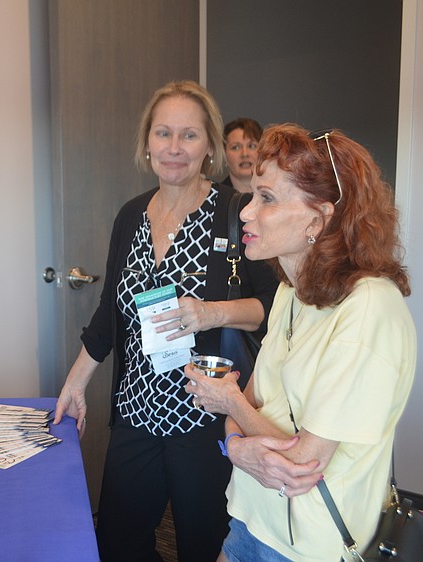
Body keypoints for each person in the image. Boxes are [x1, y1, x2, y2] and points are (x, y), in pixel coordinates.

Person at [53, 80, 278, 561]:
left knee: (203, 545)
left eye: (189, 135)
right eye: (163, 133)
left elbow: (273, 304)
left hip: (206, 416)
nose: (174, 147)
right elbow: (110, 312)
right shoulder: (130, 216)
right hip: (136, 411)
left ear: (209, 146)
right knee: (119, 544)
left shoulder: (237, 214)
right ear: (147, 143)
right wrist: (75, 383)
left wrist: (211, 313)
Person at [184, 123, 416, 561]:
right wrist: (236, 447)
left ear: (317, 218)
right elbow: (253, 399)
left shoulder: (370, 308)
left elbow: (302, 462)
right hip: (252, 516)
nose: (246, 213)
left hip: (311, 544)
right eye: (253, 196)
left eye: (267, 198)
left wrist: (229, 403)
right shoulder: (290, 292)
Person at [223, 118, 263, 193]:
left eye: (251, 146)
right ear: (224, 154)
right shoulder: (214, 196)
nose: (245, 154)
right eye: (236, 147)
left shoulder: (279, 194)